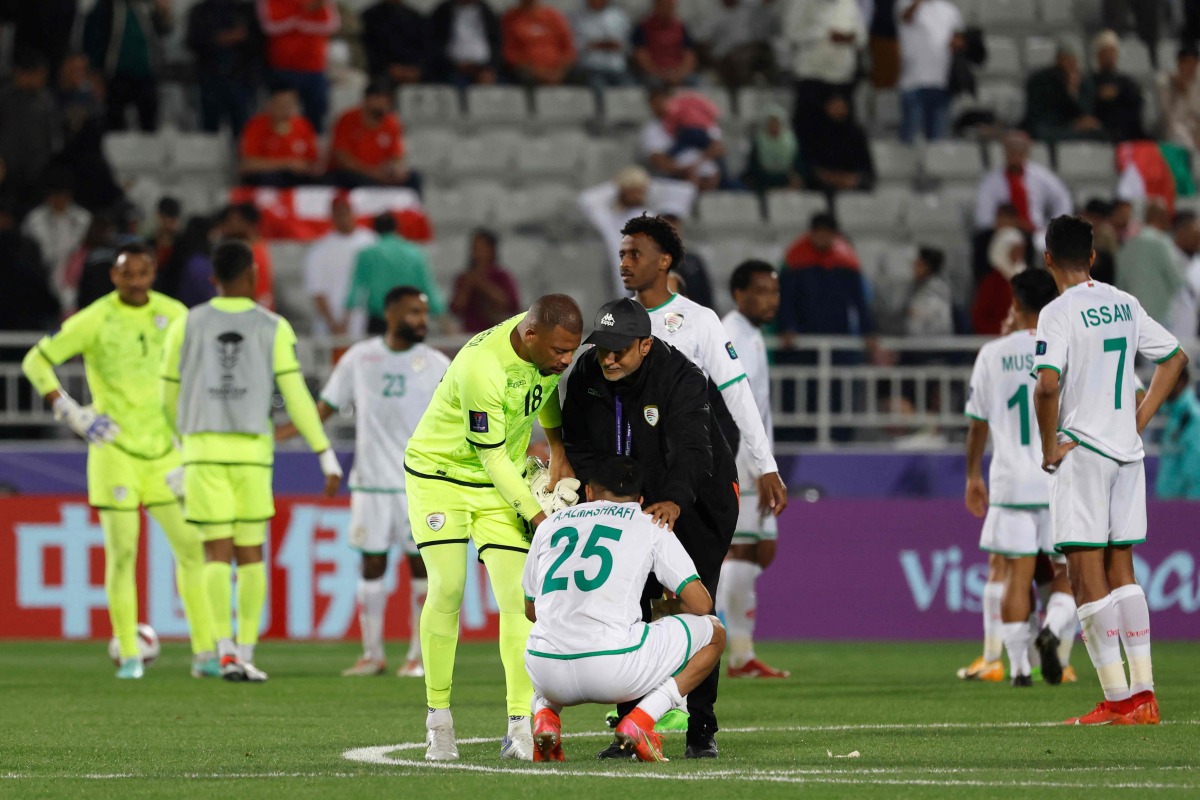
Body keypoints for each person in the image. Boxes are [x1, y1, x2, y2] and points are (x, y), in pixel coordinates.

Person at [21, 243, 215, 680]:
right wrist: (70, 411)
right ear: (115, 276)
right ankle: (128, 653)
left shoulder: (175, 314)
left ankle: (206, 654)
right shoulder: (94, 318)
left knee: (191, 550)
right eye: (127, 274)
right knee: (122, 552)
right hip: (115, 453)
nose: (136, 281)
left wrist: (190, 446)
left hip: (165, 453)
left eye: (144, 273)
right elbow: (36, 361)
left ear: (153, 275)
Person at [403, 295, 583, 761]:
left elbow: (542, 391)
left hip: (497, 482)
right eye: (560, 352)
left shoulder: (538, 347)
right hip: (440, 474)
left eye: (572, 351)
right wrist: (539, 518)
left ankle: (519, 726)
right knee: (447, 587)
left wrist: (557, 447)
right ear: (530, 336)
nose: (566, 362)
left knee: (519, 600)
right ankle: (438, 721)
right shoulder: (481, 368)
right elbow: (493, 456)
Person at [562, 297, 739, 758]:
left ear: (645, 344)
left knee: (696, 609)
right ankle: (630, 726)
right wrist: (601, 491)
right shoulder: (587, 375)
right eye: (603, 348)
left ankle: (702, 729)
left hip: (699, 501)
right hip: (628, 501)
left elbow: (694, 451)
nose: (609, 358)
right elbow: (579, 444)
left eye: (620, 349)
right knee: (629, 610)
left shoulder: (680, 377)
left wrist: (674, 502)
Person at [161, 239, 343, 683]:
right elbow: (297, 396)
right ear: (252, 276)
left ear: (212, 279)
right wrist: (325, 454)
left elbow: (165, 393)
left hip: (203, 452)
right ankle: (245, 652)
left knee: (215, 553)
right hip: (253, 456)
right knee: (250, 554)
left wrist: (181, 443)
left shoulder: (186, 323)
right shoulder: (272, 326)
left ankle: (222, 652)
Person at [1032, 214, 1187, 725]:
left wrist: (1050, 445)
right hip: (1127, 454)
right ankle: (1144, 695)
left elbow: (1048, 384)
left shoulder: (1056, 313)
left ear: (1048, 257)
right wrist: (1137, 420)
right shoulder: (1123, 302)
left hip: (1084, 452)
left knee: (1084, 573)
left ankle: (1119, 701)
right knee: (1124, 571)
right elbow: (1175, 358)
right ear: (1093, 257)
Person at [277, 287, 449, 676]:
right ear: (390, 315)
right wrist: (283, 434)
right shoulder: (360, 358)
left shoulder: (438, 363)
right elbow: (324, 408)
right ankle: (372, 654)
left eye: (423, 312)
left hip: (418, 484)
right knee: (371, 564)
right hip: (370, 483)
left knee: (421, 567)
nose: (421, 320)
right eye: (412, 313)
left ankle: (417, 657)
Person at [523, 456, 727, 762]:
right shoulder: (649, 523)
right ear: (641, 497)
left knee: (549, 633)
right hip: (613, 671)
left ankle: (544, 716)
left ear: (588, 492)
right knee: (714, 632)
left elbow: (531, 610)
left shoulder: (551, 524)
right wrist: (666, 608)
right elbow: (701, 603)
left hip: (546, 674)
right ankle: (642, 720)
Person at [621, 214, 787, 518]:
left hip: (686, 470)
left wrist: (766, 465)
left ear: (664, 261)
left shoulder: (700, 320)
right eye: (622, 255)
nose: (624, 264)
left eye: (635, 255)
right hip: (627, 471)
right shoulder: (615, 319)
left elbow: (738, 393)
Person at [964, 269, 1079, 688]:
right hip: (1058, 477)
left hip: (1011, 482)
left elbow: (976, 424)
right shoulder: (1065, 347)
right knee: (1066, 574)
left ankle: (1017, 668)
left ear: (1015, 304)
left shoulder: (992, 354)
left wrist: (972, 474)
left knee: (1015, 574)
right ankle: (1056, 646)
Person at [717, 261, 789, 679]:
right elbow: (734, 407)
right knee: (742, 550)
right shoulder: (732, 334)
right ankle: (738, 652)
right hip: (742, 461)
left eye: (775, 292)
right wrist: (758, 468)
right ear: (739, 294)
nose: (771, 299)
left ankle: (736, 646)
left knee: (760, 551)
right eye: (761, 291)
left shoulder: (753, 335)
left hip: (758, 460)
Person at [346, 213, 445, 334]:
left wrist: (344, 322)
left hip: (380, 320)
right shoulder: (415, 253)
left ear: (375, 230)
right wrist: (444, 320)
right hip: (409, 319)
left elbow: (356, 290)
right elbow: (428, 287)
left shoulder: (367, 254)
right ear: (397, 228)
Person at [83, 0, 173, 132]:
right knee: (115, 122)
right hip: (116, 74)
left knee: (149, 122)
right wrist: (95, 72)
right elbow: (92, 39)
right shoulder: (107, 6)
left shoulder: (144, 7)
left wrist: (164, 11)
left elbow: (163, 30)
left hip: (145, 75)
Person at [783, 0, 865, 137]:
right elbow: (791, 32)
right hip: (812, 78)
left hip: (842, 79)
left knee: (842, 137)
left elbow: (862, 38)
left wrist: (849, 38)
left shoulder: (849, 3)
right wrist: (826, 35)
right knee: (809, 133)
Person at [257, 0, 340, 133]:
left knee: (317, 111)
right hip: (283, 67)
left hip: (314, 67)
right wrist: (306, 13)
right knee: (279, 113)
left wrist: (295, 20)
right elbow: (271, 26)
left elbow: (330, 25)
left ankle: (310, 147)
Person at [185, 0, 264, 138]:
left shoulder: (247, 10)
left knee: (243, 129)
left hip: (242, 80)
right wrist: (218, 39)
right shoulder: (200, 11)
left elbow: (260, 44)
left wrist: (240, 38)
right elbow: (192, 42)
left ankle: (243, 159)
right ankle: (207, 158)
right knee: (208, 129)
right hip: (209, 79)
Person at [328, 80, 421, 192]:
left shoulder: (391, 123)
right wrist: (372, 172)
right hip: (356, 173)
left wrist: (397, 169)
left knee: (414, 178)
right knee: (350, 178)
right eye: (380, 99)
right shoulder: (347, 119)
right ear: (368, 99)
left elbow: (397, 155)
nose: (384, 104)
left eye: (388, 100)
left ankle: (409, 209)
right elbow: (341, 157)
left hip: (381, 174)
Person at [974, 132, 1073, 236]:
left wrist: (1055, 226)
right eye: (1012, 149)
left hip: (1038, 232)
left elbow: (1063, 200)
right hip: (1005, 233)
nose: (1016, 153)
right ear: (1005, 151)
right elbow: (983, 217)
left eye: (1020, 149)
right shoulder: (991, 182)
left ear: (1027, 151)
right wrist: (1005, 225)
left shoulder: (1042, 176)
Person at [305, 195, 378, 337]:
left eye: (346, 211)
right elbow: (317, 291)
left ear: (354, 212)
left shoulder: (371, 243)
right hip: (329, 327)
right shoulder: (319, 250)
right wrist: (333, 324)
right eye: (338, 213)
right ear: (332, 216)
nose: (343, 217)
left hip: (365, 322)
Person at [0, 48, 59, 217]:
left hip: (37, 171)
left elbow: (53, 137)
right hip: (7, 170)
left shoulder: (46, 100)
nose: (41, 78)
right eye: (37, 73)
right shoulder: (4, 98)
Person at [895, 0, 963, 144]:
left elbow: (958, 38)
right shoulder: (905, 3)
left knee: (937, 142)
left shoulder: (950, 10)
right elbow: (905, 17)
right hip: (913, 82)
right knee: (910, 139)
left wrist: (956, 43)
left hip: (942, 83)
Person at [21, 169, 92, 296]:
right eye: (55, 195)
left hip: (76, 281)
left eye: (63, 195)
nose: (59, 200)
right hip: (41, 281)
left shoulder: (83, 219)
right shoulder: (34, 220)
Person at [238, 82, 321, 187]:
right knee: (268, 178)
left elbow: (313, 162)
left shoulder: (303, 125)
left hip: (298, 177)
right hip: (269, 178)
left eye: (290, 103)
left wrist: (308, 168)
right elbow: (248, 165)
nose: (285, 108)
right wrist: (287, 164)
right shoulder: (255, 126)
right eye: (280, 103)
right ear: (269, 104)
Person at [1022, 42, 1104, 143]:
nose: (1071, 63)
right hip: (1049, 126)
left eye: (1074, 59)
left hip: (1073, 127)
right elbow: (1039, 114)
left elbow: (1085, 112)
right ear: (1058, 59)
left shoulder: (1084, 81)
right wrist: (1070, 126)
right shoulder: (1041, 80)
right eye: (1067, 59)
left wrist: (1073, 93)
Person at [1116, 200, 1181, 326]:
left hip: (1134, 318)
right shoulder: (1162, 242)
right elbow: (1177, 280)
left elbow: (1120, 282)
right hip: (1161, 317)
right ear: (1162, 217)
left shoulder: (1128, 244)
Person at [449, 228, 522, 333]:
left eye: (482, 248)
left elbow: (510, 304)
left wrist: (482, 284)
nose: (477, 253)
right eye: (475, 248)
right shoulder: (464, 278)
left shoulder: (501, 276)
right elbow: (456, 308)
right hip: (471, 333)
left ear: (492, 250)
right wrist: (468, 285)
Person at [801, 92, 875, 193]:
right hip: (823, 182)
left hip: (851, 182)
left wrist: (850, 178)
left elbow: (867, 169)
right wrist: (829, 176)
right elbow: (810, 164)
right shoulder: (816, 133)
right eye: (834, 106)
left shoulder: (856, 134)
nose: (838, 111)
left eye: (840, 107)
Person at [1083, 30, 1146, 143]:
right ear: (1098, 55)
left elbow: (1136, 103)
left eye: (1112, 51)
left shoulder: (1127, 82)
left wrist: (1119, 93)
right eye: (1105, 51)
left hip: (1127, 132)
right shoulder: (1089, 81)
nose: (1109, 56)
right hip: (1100, 134)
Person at [501, 0, 576, 86]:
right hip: (527, 72)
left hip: (558, 71)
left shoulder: (554, 16)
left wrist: (559, 73)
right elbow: (510, 52)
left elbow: (568, 49)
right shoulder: (510, 19)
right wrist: (538, 73)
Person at [428, 0, 503, 86]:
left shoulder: (487, 12)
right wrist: (453, 65)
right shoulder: (444, 11)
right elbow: (434, 43)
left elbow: (496, 43)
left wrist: (491, 68)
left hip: (484, 69)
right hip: (451, 69)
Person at [217, 203, 276, 310]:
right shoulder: (256, 247)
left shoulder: (252, 252)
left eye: (231, 221)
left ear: (247, 223)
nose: (225, 227)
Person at [1155, 366, 1200, 499]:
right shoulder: (1174, 416)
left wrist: (1192, 513)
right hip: (1169, 509)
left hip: (1183, 511)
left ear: (1181, 381)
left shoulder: (1193, 418)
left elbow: (1194, 474)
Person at [740, 103, 805, 193]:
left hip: (787, 182)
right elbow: (754, 167)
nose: (773, 126)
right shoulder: (759, 141)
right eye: (770, 123)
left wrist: (796, 178)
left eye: (776, 123)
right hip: (763, 182)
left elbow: (798, 165)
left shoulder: (791, 142)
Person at [631, 0, 698, 87]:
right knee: (654, 84)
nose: (667, 9)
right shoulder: (643, 27)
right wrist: (660, 74)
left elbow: (689, 55)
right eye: (664, 6)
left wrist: (679, 74)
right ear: (656, 6)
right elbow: (641, 55)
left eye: (670, 6)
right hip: (654, 73)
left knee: (699, 83)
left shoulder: (681, 27)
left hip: (677, 71)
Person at [361, 0, 428, 85]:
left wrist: (416, 70)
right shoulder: (369, 17)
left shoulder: (416, 18)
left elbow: (427, 50)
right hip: (381, 74)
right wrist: (390, 69)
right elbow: (367, 51)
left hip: (414, 73)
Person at [573, 0, 633, 92]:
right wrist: (593, 45)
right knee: (598, 88)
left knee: (631, 90)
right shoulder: (577, 17)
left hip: (617, 67)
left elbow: (628, 46)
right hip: (590, 67)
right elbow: (574, 46)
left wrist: (616, 45)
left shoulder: (619, 16)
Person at [1158, 43, 1200, 153]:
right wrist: (1180, 93)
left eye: (1193, 63)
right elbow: (1169, 118)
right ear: (1179, 63)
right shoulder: (1165, 83)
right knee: (1180, 138)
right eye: (1187, 63)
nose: (1190, 68)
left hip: (1197, 127)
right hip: (1176, 130)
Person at [903, 246, 954, 337]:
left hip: (932, 346)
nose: (914, 267)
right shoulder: (916, 288)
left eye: (919, 264)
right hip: (916, 343)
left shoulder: (938, 290)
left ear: (927, 267)